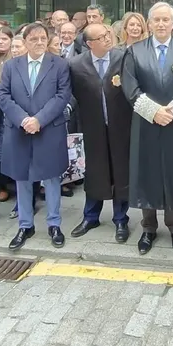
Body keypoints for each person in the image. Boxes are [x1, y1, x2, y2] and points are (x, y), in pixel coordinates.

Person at [122, 2, 173, 255]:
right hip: (146, 123)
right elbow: (130, 87)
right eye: (156, 20)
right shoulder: (135, 51)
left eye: (165, 20)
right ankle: (148, 228)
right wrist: (154, 112)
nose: (160, 24)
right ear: (149, 23)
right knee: (147, 174)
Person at [0, 22, 71, 251]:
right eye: (33, 39)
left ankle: (54, 224)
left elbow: (62, 96)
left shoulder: (59, 64)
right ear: (25, 41)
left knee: (51, 177)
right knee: (22, 177)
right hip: (19, 129)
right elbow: (3, 95)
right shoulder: (11, 66)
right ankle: (25, 225)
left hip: (48, 129)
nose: (39, 43)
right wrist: (23, 119)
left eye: (43, 39)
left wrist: (39, 119)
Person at [67, 22, 133, 242]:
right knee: (95, 171)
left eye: (107, 34)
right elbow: (70, 94)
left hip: (121, 125)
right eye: (101, 37)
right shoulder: (76, 64)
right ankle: (91, 216)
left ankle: (121, 219)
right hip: (92, 126)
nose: (107, 38)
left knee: (121, 171)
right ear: (89, 44)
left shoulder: (123, 58)